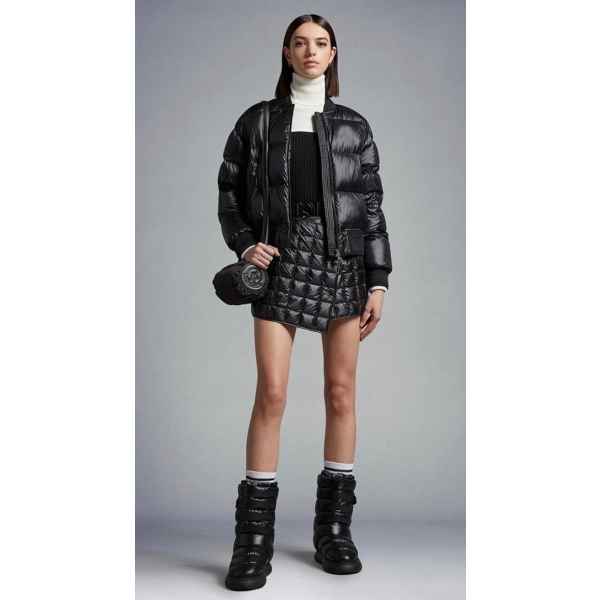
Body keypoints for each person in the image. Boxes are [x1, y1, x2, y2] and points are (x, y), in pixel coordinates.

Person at [217, 14, 392, 591]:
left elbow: (371, 208)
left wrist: (378, 279)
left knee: (340, 394)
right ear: (286, 52)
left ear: (333, 52)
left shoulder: (354, 126)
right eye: (300, 43)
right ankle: (253, 542)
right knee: (271, 393)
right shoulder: (257, 121)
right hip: (280, 264)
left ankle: (333, 532)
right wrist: (246, 244)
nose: (310, 51)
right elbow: (229, 193)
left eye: (320, 43)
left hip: (343, 266)